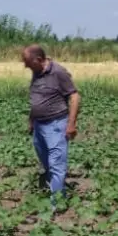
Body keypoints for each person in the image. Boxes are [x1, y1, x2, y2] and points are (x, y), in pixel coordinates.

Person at [22, 45, 81, 201]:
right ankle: (56, 188)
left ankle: (57, 202)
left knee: (56, 163)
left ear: (39, 60)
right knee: (46, 161)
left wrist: (71, 124)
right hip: (39, 125)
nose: (25, 65)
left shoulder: (58, 72)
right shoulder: (36, 71)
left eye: (27, 62)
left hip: (56, 124)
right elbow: (37, 98)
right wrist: (31, 119)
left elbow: (74, 97)